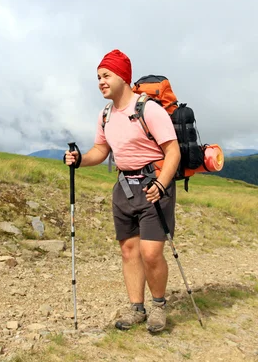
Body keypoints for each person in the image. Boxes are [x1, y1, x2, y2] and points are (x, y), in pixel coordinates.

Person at [64, 49, 181, 333]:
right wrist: (80, 160)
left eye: (106, 76)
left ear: (123, 77)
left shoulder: (148, 109)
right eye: (98, 77)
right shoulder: (105, 114)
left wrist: (161, 184)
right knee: (129, 251)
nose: (101, 82)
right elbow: (102, 150)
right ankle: (136, 309)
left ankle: (158, 307)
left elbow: (172, 151)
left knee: (151, 253)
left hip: (154, 187)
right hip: (124, 189)